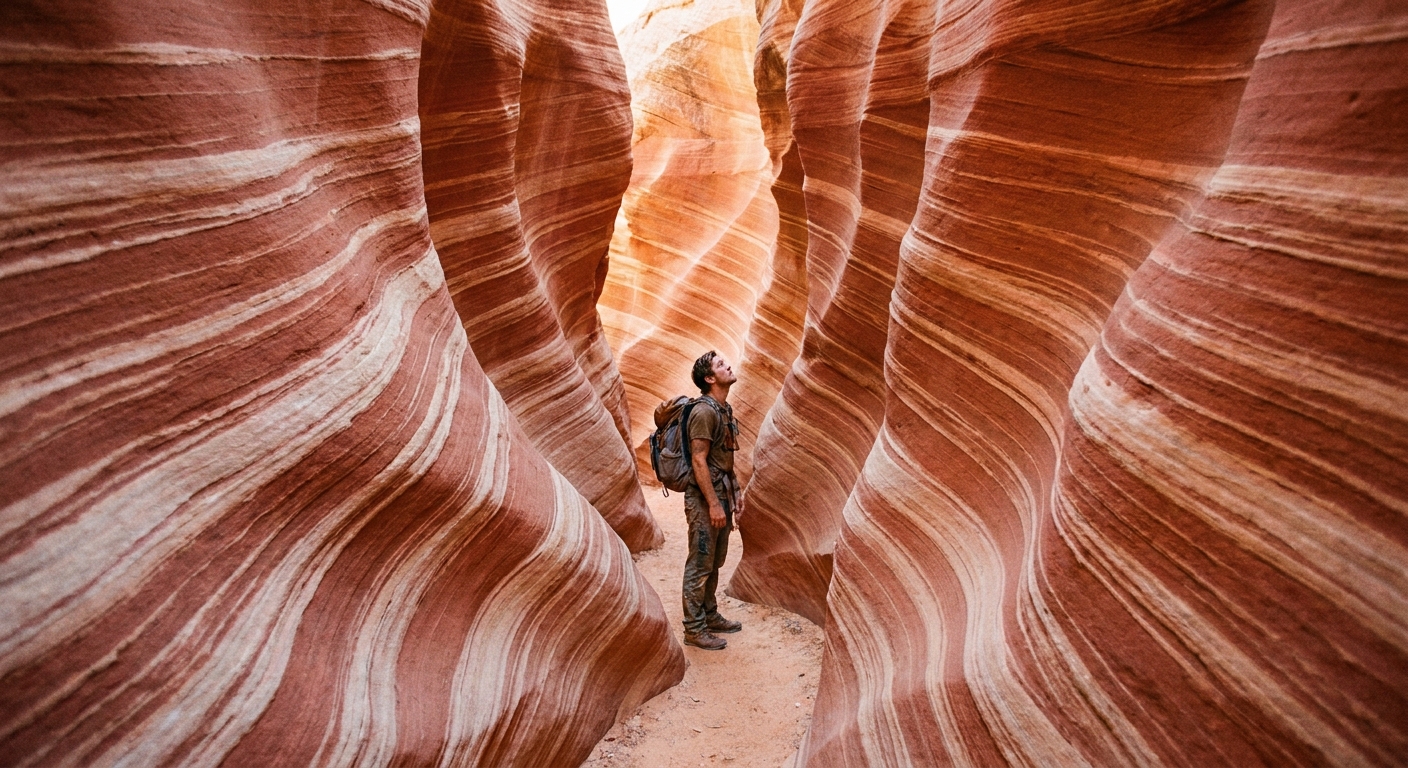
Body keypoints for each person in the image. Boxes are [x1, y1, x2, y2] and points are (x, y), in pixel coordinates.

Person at [681, 350, 744, 650]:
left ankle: (709, 614)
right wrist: (714, 504)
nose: (728, 365)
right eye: (721, 365)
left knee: (715, 560)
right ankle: (694, 629)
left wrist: (735, 493)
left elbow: (724, 458)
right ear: (709, 378)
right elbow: (699, 460)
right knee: (701, 561)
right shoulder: (704, 412)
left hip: (721, 493)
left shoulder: (723, 408)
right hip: (705, 498)